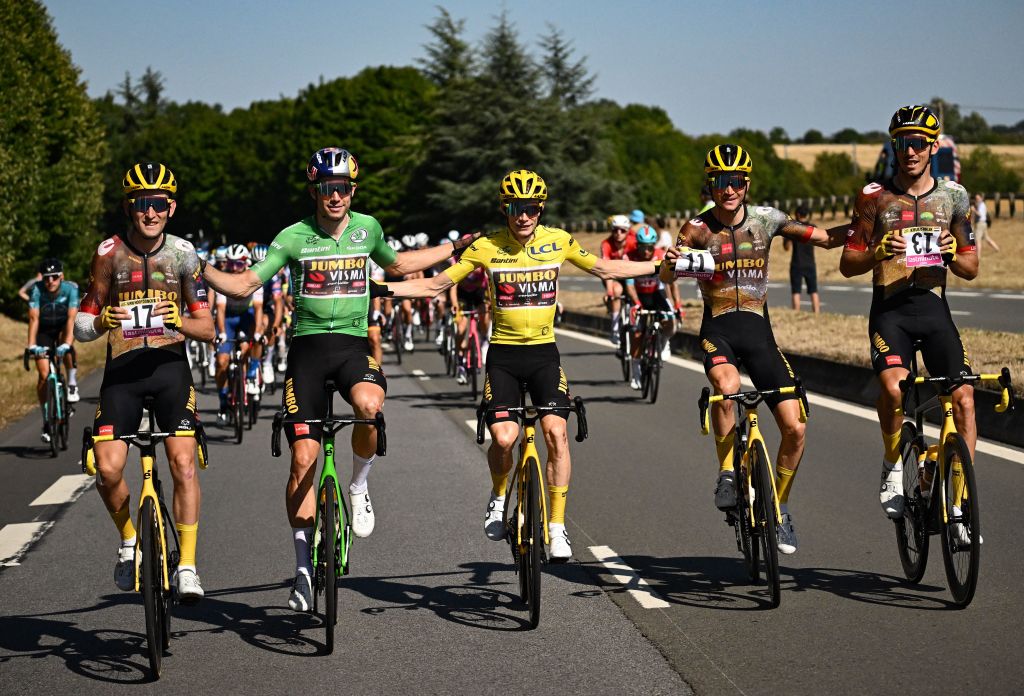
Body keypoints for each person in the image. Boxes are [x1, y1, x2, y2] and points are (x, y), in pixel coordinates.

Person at [198, 147, 478, 611]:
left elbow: (401, 268)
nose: (336, 196)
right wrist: (199, 269)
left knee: (370, 406)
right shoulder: (292, 237)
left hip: (351, 347)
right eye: (328, 188)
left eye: (344, 187)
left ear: (352, 190)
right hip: (307, 351)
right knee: (302, 461)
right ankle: (304, 570)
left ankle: (359, 485)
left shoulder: (368, 229)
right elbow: (246, 284)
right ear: (315, 191)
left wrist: (454, 248)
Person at [384, 169, 659, 561]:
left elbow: (606, 269)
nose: (524, 216)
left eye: (531, 208)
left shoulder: (559, 241)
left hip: (545, 354)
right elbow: (434, 286)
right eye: (516, 208)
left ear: (540, 209)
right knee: (503, 439)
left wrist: (659, 267)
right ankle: (498, 496)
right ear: (504, 209)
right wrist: (378, 290)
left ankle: (558, 527)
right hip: (504, 357)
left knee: (556, 433)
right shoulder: (485, 247)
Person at [661, 145, 845, 554]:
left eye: (737, 180)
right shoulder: (696, 228)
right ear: (710, 185)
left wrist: (869, 226)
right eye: (721, 181)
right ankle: (727, 473)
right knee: (726, 387)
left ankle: (779, 507)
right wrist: (671, 262)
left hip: (760, 335)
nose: (730, 189)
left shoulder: (767, 219)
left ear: (747, 183)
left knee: (796, 427)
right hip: (718, 330)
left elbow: (826, 239)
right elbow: (665, 271)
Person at [74, 161, 215, 602]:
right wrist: (100, 323)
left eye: (158, 203)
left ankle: (188, 565)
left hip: (170, 371)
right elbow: (81, 323)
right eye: (141, 203)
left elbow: (208, 328)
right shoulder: (108, 253)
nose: (149, 212)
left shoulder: (184, 255)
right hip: (124, 374)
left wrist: (180, 321)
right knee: (109, 467)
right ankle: (130, 539)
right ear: (128, 206)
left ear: (170, 207)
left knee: (183, 465)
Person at [839, 106, 979, 526]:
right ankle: (892, 463)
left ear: (934, 146)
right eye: (902, 142)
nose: (910, 151)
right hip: (890, 311)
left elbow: (972, 269)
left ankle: (957, 503)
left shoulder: (954, 196)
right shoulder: (873, 197)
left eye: (919, 142)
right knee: (895, 389)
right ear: (893, 146)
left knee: (965, 401)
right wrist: (876, 253)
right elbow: (848, 262)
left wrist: (954, 254)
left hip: (934, 309)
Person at [26, 258, 80, 441]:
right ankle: (47, 417)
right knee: (42, 375)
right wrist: (31, 345)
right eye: (47, 278)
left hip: (63, 327)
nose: (50, 281)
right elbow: (33, 318)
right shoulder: (36, 290)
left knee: (67, 348)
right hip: (44, 330)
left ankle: (72, 384)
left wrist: (67, 343)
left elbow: (72, 318)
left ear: (61, 276)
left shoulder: (71, 289)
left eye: (55, 277)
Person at [213, 244, 264, 424]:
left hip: (245, 317)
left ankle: (251, 374)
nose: (234, 268)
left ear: (246, 263)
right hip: (227, 318)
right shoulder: (223, 278)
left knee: (258, 334)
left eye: (239, 264)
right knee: (221, 361)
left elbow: (258, 309)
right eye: (231, 263)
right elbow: (219, 309)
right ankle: (223, 401)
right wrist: (222, 334)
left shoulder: (254, 277)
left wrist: (257, 332)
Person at [623, 225, 676, 389]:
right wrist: (637, 304)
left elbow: (670, 281)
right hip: (637, 296)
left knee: (671, 320)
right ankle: (636, 371)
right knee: (637, 333)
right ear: (637, 245)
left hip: (656, 294)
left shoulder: (661, 255)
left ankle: (663, 342)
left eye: (650, 248)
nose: (646, 252)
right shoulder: (629, 257)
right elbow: (629, 285)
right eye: (642, 248)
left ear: (655, 246)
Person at [601, 214, 637, 343]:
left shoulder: (634, 242)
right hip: (613, 276)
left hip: (631, 276)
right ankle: (615, 327)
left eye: (622, 230)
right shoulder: (606, 244)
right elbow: (606, 270)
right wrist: (609, 291)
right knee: (616, 291)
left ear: (628, 231)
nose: (618, 233)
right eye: (615, 230)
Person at [782, 205, 821, 313]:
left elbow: (786, 248)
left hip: (797, 263)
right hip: (810, 263)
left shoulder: (793, 228)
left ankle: (796, 312)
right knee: (813, 290)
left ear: (798, 215)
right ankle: (817, 313)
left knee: (796, 291)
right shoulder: (813, 227)